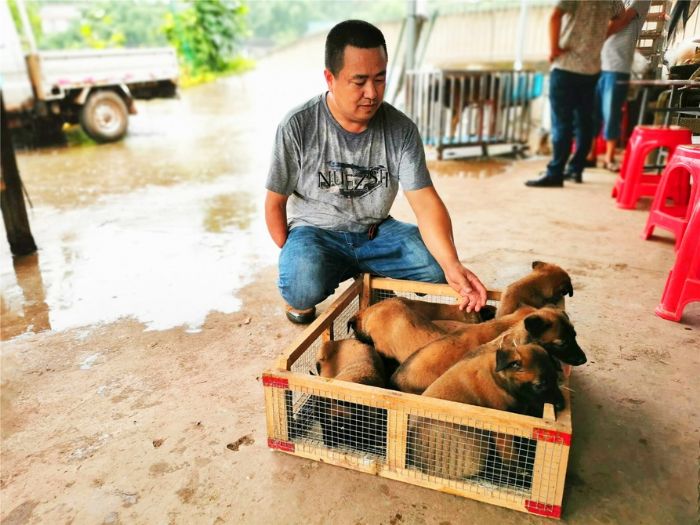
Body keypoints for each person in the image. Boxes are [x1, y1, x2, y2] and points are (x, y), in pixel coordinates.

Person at [265, 19, 487, 324]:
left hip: (376, 232)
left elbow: (425, 202)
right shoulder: (298, 125)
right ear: (330, 78)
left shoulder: (401, 129)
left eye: (380, 79)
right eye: (359, 81)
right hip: (317, 233)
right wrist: (293, 252)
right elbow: (274, 202)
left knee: (436, 266)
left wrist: (452, 265)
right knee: (301, 282)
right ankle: (304, 290)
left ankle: (372, 272)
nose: (372, 92)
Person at [526, 0, 625, 188]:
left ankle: (555, 172)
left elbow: (555, 15)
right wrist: (601, 36)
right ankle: (576, 169)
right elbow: (621, 18)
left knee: (562, 123)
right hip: (591, 68)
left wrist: (554, 48)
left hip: (566, 66)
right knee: (585, 122)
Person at [587, 1, 651, 172]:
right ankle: (591, 155)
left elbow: (624, 19)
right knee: (593, 112)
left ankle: (609, 158)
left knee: (611, 113)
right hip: (596, 62)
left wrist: (598, 37)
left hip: (617, 64)